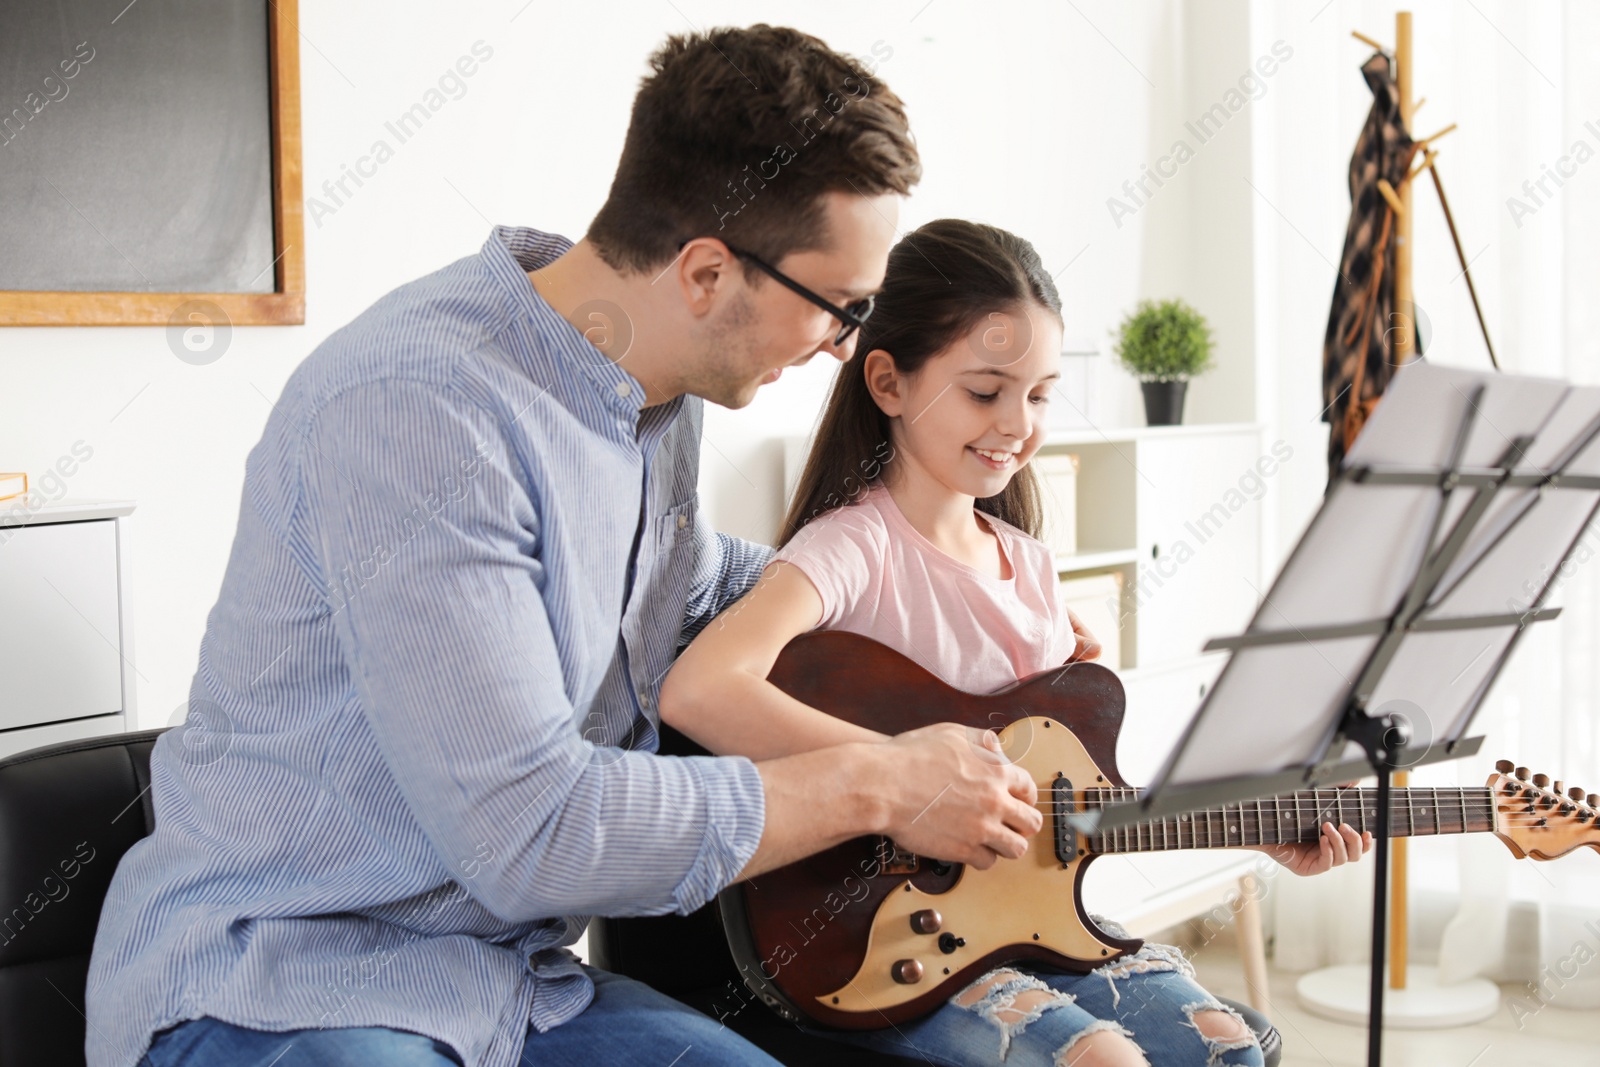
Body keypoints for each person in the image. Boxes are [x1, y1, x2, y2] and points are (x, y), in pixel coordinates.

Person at [85, 27, 1048, 1067]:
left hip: (502, 983)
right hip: (278, 980)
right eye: (841, 308)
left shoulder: (647, 397)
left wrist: (939, 589)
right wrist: (881, 782)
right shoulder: (418, 411)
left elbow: (682, 584)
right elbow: (531, 828)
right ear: (706, 273)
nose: (843, 348)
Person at [660, 219, 1375, 1067]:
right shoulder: (853, 547)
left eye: (1038, 394)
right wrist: (899, 780)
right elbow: (697, 689)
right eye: (985, 391)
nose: (1018, 423)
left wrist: (1262, 825)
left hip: (1033, 928)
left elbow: (1057, 814)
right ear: (887, 382)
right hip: (893, 946)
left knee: (1227, 1047)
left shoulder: (1032, 568)